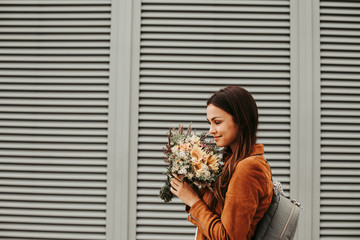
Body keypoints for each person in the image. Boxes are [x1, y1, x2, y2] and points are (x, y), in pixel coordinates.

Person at [170, 86, 273, 240]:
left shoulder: (248, 168)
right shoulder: (231, 162)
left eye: (217, 122)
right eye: (210, 122)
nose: (211, 130)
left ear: (241, 121)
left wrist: (193, 201)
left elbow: (228, 237)